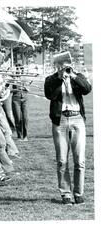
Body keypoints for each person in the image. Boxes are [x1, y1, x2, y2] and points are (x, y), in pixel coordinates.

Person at [44, 51, 92, 205]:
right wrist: (60, 80)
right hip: (60, 120)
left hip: (77, 118)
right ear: (57, 66)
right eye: (61, 65)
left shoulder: (77, 76)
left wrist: (73, 77)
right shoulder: (51, 80)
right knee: (62, 160)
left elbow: (87, 89)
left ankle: (78, 193)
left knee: (80, 160)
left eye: (66, 64)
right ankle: (66, 194)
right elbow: (50, 96)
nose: (64, 67)